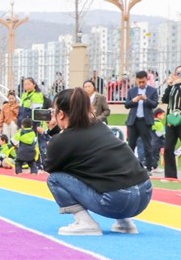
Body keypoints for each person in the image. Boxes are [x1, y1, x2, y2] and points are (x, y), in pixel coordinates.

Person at [44, 88, 152, 236]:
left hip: (118, 201)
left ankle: (85, 223)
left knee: (55, 179)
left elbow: (50, 166)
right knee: (103, 168)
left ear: (60, 114)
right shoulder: (100, 126)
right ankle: (125, 223)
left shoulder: (61, 140)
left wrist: (54, 134)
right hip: (145, 193)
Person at [124, 69, 160, 173]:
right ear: (136, 80)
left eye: (143, 82)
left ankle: (148, 167)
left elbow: (155, 104)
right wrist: (134, 100)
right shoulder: (132, 91)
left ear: (146, 79)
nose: (141, 84)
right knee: (131, 145)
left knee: (147, 145)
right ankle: (129, 168)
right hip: (133, 121)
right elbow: (127, 105)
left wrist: (146, 99)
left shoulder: (152, 90)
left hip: (145, 121)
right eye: (139, 82)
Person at [161, 64, 181, 179]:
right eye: (178, 73)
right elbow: (164, 99)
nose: (179, 76)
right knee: (168, 148)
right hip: (171, 121)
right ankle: (170, 176)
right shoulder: (173, 86)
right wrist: (169, 85)